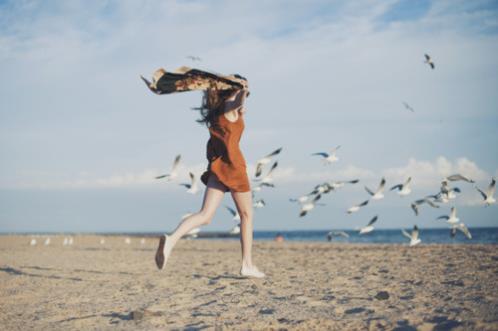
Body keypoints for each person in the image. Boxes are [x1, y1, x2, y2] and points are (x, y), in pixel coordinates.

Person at [155, 76, 265, 278]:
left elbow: (234, 112)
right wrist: (243, 90)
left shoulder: (218, 111)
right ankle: (247, 264)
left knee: (205, 215)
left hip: (218, 167)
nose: (247, 92)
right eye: (244, 89)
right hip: (234, 168)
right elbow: (239, 101)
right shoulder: (232, 106)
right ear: (235, 89)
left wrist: (240, 106)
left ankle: (172, 239)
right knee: (247, 216)